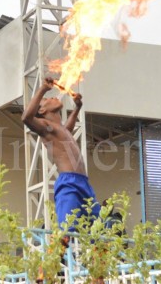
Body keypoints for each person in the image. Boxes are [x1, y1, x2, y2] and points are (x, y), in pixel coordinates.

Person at [21, 77, 101, 227]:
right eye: (47, 99)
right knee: (67, 230)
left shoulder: (59, 129)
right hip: (69, 183)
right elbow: (26, 118)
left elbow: (67, 130)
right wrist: (43, 89)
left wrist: (77, 107)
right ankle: (61, 249)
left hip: (84, 183)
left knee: (97, 231)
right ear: (43, 110)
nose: (53, 96)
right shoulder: (46, 127)